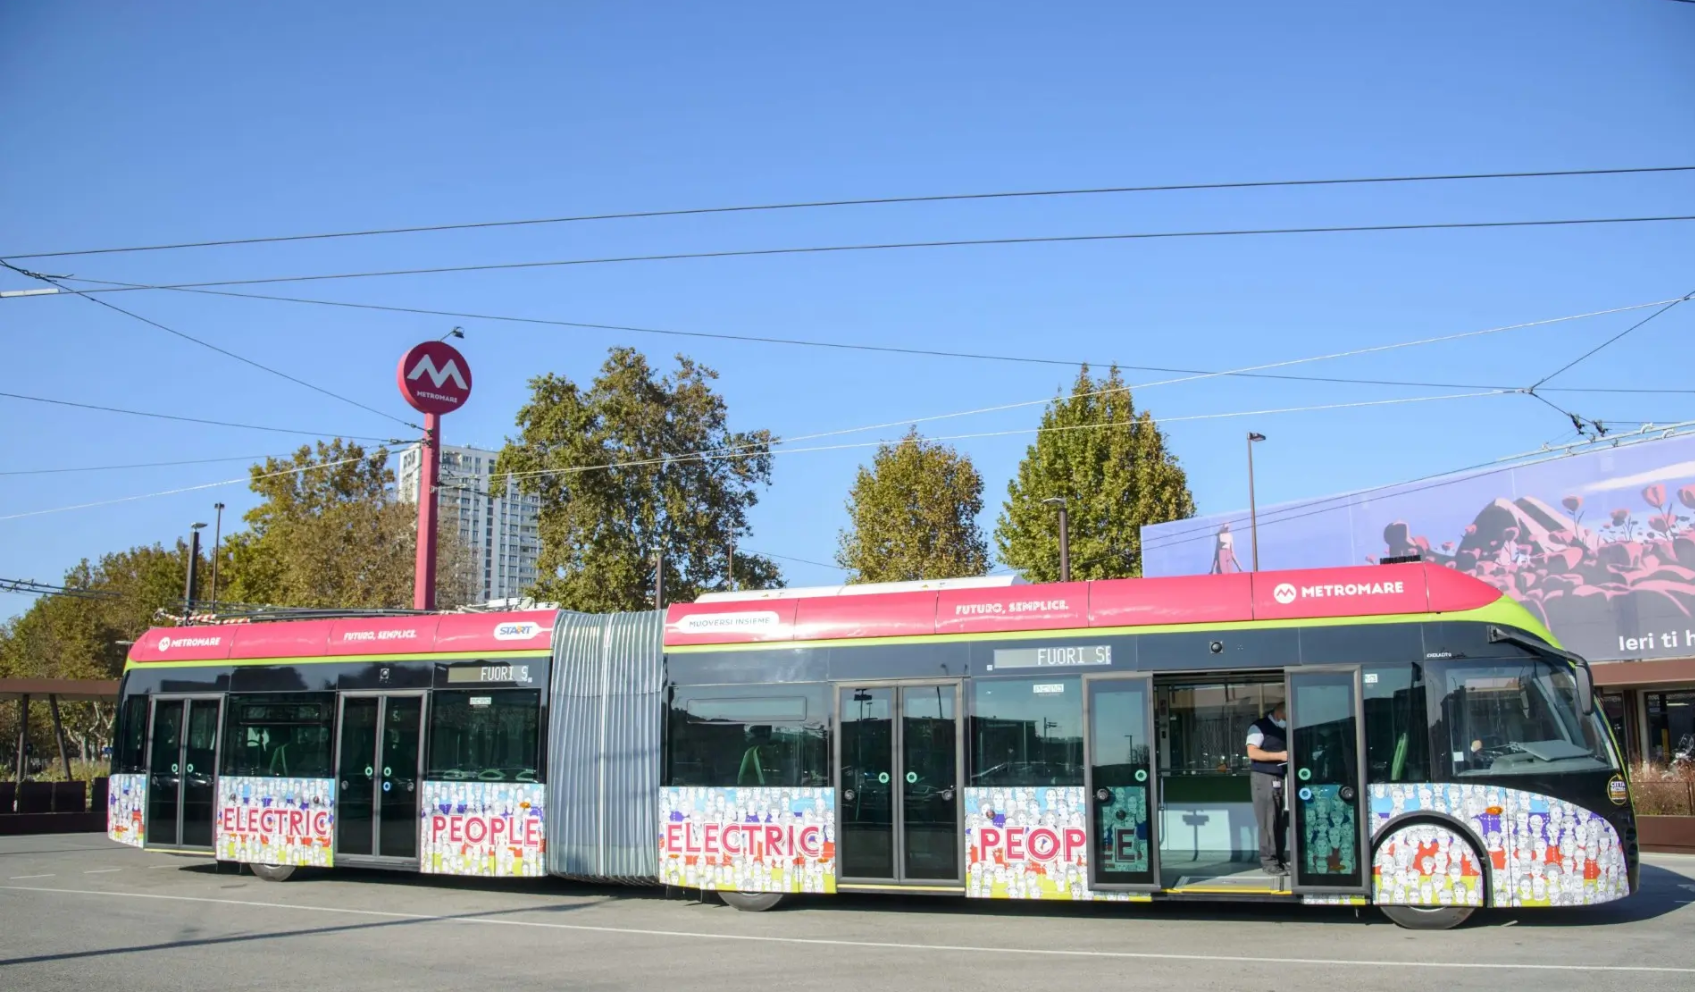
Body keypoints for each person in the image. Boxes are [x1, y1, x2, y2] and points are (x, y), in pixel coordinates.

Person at [1246, 702, 1290, 877]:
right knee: (1267, 821)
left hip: (1279, 778)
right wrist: (1280, 756)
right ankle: (1269, 862)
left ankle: (1278, 859)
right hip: (1264, 778)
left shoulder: (1283, 729)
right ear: (1279, 713)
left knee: (1279, 821)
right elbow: (1253, 753)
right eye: (1287, 715)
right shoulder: (1259, 727)